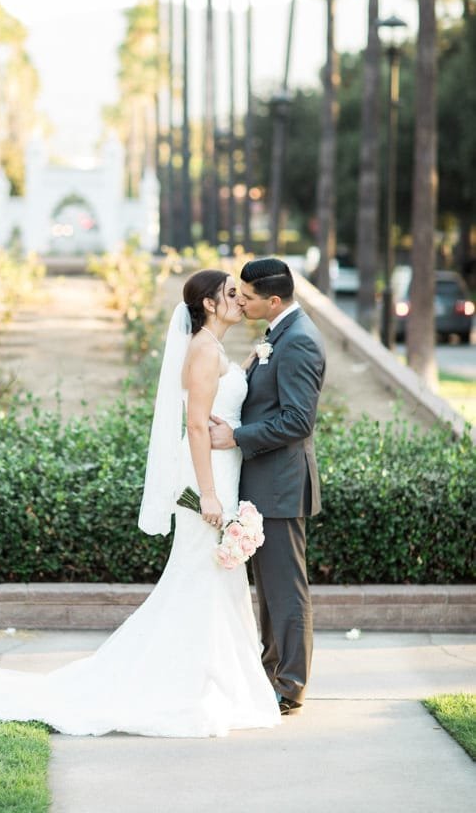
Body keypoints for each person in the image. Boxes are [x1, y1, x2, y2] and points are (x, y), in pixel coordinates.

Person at [0, 269, 280, 736]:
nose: (240, 300)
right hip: (206, 481)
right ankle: (187, 684)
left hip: (223, 472)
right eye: (230, 294)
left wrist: (250, 365)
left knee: (213, 579)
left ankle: (216, 682)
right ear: (209, 304)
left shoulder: (214, 349)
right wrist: (208, 493)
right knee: (200, 575)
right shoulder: (203, 350)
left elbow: (212, 411)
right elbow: (193, 427)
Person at [210, 258, 325, 715]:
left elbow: (298, 420)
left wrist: (235, 437)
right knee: (270, 592)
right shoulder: (279, 335)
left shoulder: (298, 342)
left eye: (248, 296)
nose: (240, 300)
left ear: (272, 300)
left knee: (286, 590)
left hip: (280, 486)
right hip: (264, 485)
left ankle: (291, 685)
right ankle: (271, 671)